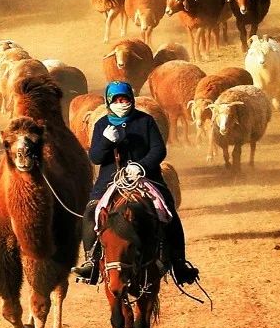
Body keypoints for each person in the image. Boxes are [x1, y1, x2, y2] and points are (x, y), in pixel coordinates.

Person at [71, 80, 199, 286]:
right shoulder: (102, 124)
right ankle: (91, 263)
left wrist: (141, 166)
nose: (122, 103)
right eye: (117, 100)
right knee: (90, 212)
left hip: (146, 177)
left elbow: (159, 150)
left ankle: (179, 262)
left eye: (125, 99)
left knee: (168, 210)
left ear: (131, 99)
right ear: (108, 102)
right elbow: (95, 157)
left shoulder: (146, 121)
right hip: (110, 180)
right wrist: (105, 141)